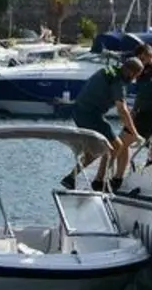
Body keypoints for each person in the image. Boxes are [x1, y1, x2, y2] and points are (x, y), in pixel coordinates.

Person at [61, 57, 144, 193]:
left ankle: (71, 178)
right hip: (90, 114)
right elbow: (122, 109)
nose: (134, 79)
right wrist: (135, 134)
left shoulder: (109, 71)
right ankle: (102, 182)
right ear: (130, 72)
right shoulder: (118, 81)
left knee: (97, 148)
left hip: (79, 110)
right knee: (116, 145)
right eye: (135, 75)